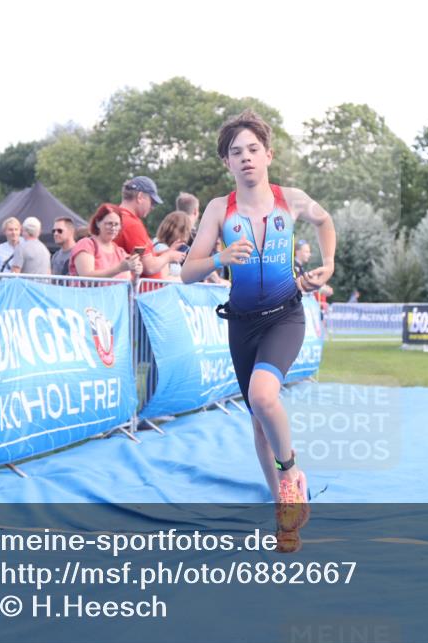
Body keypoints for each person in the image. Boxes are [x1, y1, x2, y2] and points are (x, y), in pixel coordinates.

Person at [181, 110, 336, 552]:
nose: (246, 158)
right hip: (243, 324)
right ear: (227, 164)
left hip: (285, 316)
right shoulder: (218, 210)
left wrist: (329, 264)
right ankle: (285, 516)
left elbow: (324, 222)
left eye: (253, 149)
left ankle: (291, 474)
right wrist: (221, 258)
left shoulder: (291, 199)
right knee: (257, 423)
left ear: (268, 155)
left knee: (263, 397)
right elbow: (188, 273)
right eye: (236, 152)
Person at [111, 176, 185, 277]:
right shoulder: (132, 224)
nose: (153, 207)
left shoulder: (116, 217)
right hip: (142, 291)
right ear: (140, 197)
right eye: (152, 202)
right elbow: (150, 267)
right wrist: (169, 256)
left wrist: (168, 252)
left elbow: (142, 257)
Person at [70, 203, 142, 281]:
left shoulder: (120, 252)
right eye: (109, 223)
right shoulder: (86, 244)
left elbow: (129, 284)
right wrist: (119, 269)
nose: (113, 228)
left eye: (116, 224)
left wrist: (136, 274)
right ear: (97, 223)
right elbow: (86, 277)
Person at [151, 211, 194, 281]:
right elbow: (163, 279)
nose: (186, 236)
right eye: (186, 231)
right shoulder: (161, 248)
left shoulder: (163, 247)